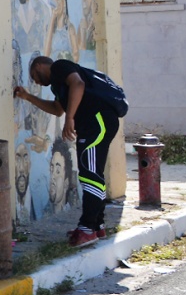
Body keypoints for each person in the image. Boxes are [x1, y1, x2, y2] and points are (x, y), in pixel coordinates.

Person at [15, 56, 122, 247]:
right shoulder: (58, 85)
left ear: (40, 66)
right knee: (93, 172)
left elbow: (78, 84)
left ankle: (87, 228)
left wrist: (70, 118)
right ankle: (97, 225)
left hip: (96, 121)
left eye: (35, 76)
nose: (37, 82)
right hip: (96, 122)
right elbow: (57, 109)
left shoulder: (59, 67)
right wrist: (28, 97)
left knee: (90, 174)